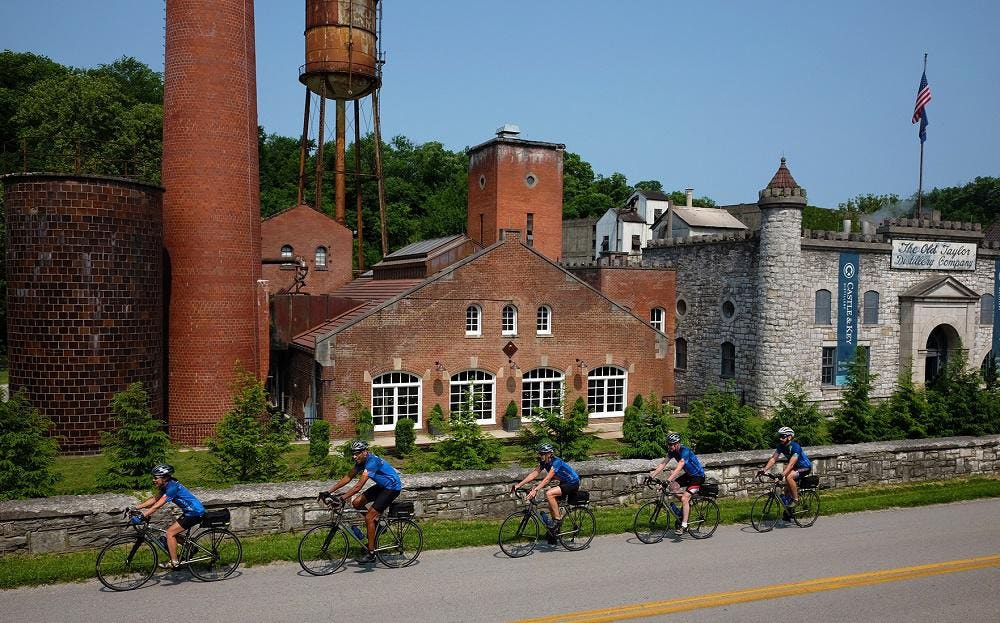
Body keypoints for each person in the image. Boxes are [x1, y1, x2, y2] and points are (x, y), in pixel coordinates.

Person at [322, 440, 402, 563]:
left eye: (357, 453)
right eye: (353, 453)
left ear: (365, 452)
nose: (354, 456)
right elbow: (348, 477)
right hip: (382, 486)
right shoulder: (361, 462)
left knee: (369, 517)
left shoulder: (371, 462)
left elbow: (358, 487)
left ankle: (371, 553)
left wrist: (341, 498)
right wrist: (329, 491)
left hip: (392, 488)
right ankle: (378, 527)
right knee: (357, 503)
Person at [134, 463, 206, 569]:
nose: (153, 480)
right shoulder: (166, 485)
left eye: (155, 478)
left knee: (170, 533)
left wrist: (142, 516)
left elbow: (157, 506)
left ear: (165, 477)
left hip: (195, 513)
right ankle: (191, 547)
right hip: (190, 512)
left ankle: (174, 562)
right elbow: (154, 499)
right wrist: (136, 508)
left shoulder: (172, 488)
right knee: (173, 533)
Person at [513, 443, 580, 530]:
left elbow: (547, 479)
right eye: (540, 454)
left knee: (549, 494)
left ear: (549, 454)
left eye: (542, 454)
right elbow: (533, 474)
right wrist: (518, 485)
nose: (540, 456)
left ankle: (557, 521)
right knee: (551, 505)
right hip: (564, 482)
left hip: (573, 483)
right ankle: (555, 532)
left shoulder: (556, 462)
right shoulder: (544, 463)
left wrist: (535, 490)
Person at [649, 432, 705, 534]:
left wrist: (668, 480)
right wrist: (651, 476)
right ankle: (686, 506)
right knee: (673, 487)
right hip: (689, 475)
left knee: (684, 498)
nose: (669, 446)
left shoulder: (685, 451)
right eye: (668, 444)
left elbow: (680, 466)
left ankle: (684, 525)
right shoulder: (673, 452)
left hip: (698, 477)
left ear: (677, 443)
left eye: (671, 444)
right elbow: (663, 464)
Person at [758, 426, 812, 507]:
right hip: (796, 467)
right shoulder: (781, 446)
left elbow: (791, 464)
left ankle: (796, 500)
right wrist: (764, 470)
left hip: (805, 467)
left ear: (789, 437)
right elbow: (773, 459)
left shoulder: (795, 446)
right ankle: (788, 513)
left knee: (789, 477)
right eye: (779, 436)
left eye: (783, 436)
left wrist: (783, 475)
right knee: (786, 492)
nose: (780, 438)